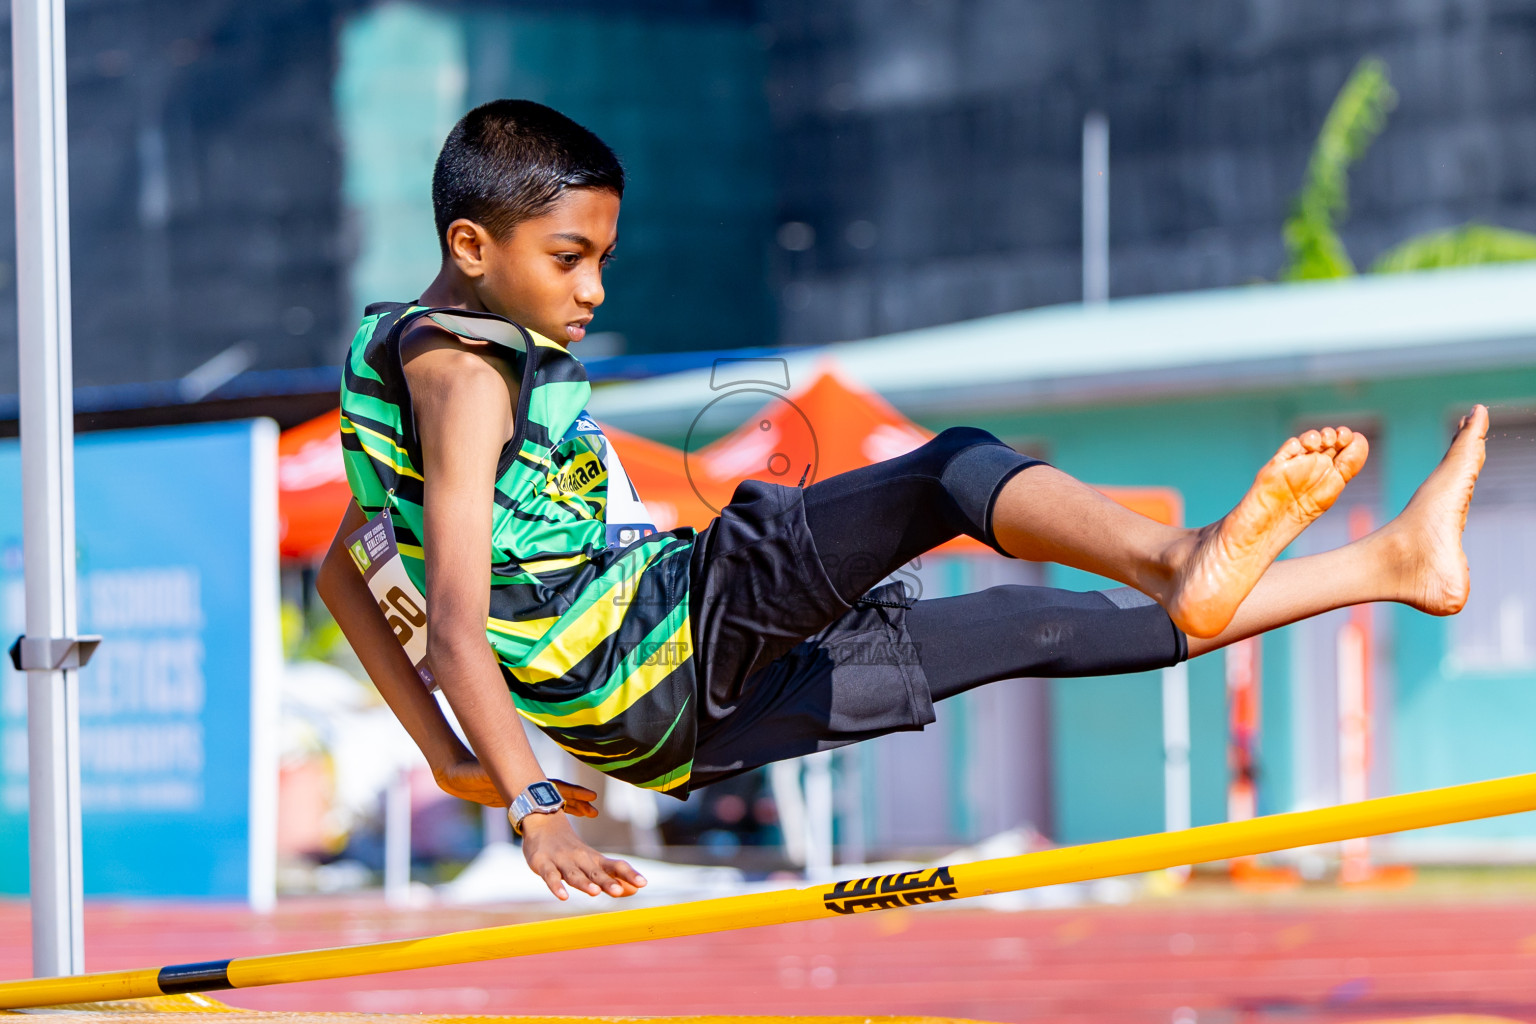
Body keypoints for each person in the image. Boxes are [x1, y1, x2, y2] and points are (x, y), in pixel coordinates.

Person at [316, 99, 1489, 903]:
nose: (593, 289)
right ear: (471, 243)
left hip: (664, 728)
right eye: (569, 258)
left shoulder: (387, 369)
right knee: (951, 468)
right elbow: (456, 622)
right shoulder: (466, 374)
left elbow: (345, 573)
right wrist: (529, 809)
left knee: (1043, 626)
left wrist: (460, 762)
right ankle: (1179, 551)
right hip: (655, 635)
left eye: (605, 258)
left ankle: (1390, 566)